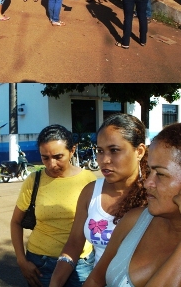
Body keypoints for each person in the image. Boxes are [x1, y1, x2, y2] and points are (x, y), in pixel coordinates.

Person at [49, 114, 148, 287]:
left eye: (114, 150)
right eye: (100, 151)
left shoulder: (153, 196)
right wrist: (56, 281)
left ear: (139, 151)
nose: (104, 160)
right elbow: (74, 243)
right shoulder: (91, 192)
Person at [83, 122, 181, 287]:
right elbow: (94, 279)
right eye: (150, 171)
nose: (147, 183)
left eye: (161, 174)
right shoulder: (135, 220)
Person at [11, 124, 96, 287]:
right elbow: (15, 222)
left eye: (58, 156)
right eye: (45, 158)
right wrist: (21, 260)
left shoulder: (89, 179)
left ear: (72, 150)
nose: (51, 164)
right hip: (41, 263)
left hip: (81, 262)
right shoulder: (34, 180)